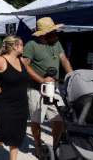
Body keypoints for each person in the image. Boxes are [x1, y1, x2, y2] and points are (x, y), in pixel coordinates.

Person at [0, 36, 46, 160]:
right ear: (15, 46)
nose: (24, 47)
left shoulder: (22, 60)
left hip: (21, 103)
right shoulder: (1, 60)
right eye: (22, 45)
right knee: (5, 129)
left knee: (18, 132)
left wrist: (44, 81)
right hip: (4, 102)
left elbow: (31, 72)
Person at [22, 17, 73, 157]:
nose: (56, 34)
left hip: (53, 88)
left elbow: (64, 60)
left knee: (59, 120)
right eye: (52, 32)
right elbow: (24, 66)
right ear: (44, 34)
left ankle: (55, 145)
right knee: (36, 120)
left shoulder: (56, 43)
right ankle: (38, 145)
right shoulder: (31, 45)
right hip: (35, 89)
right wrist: (41, 80)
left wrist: (73, 77)